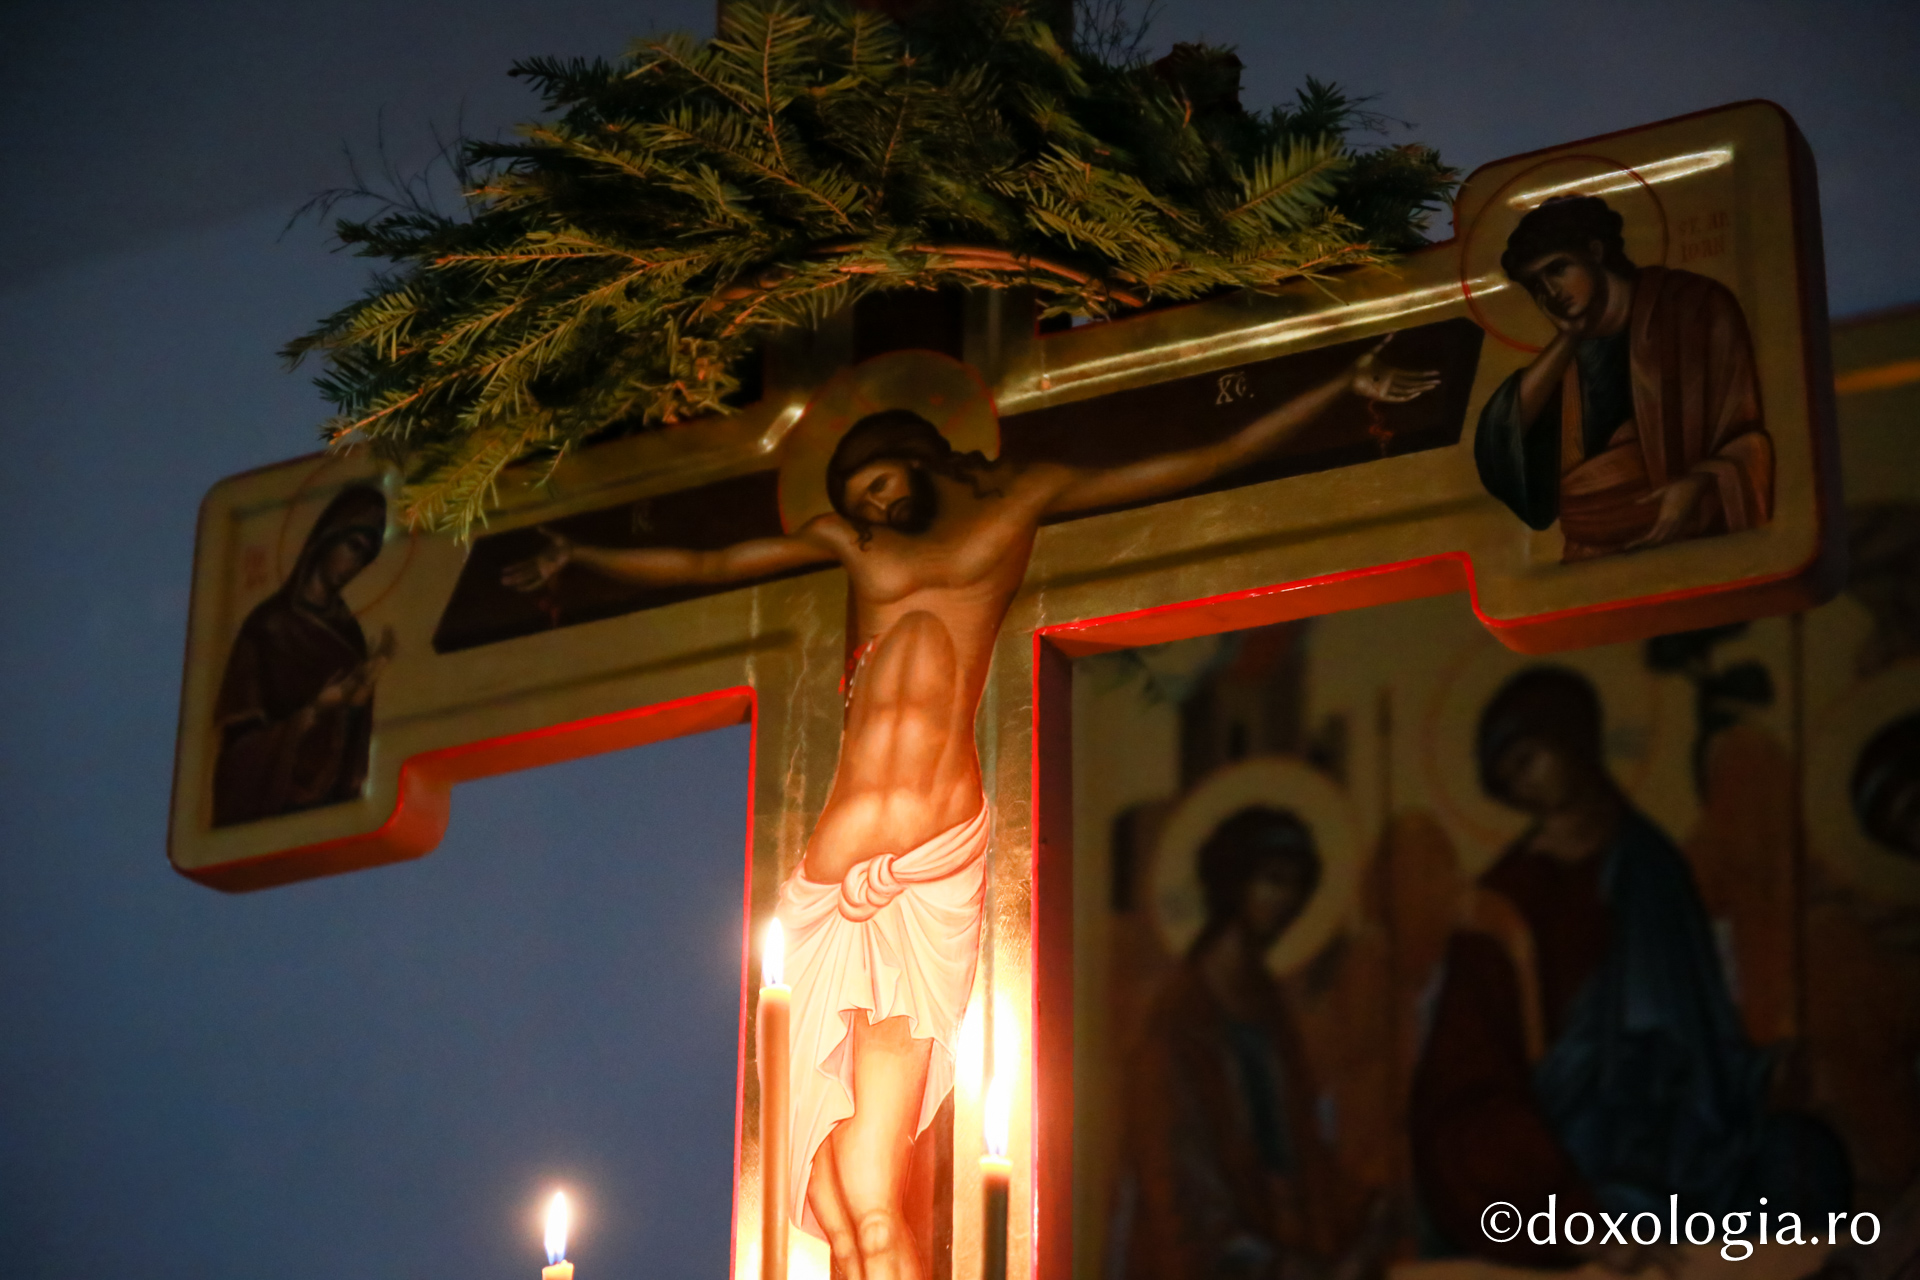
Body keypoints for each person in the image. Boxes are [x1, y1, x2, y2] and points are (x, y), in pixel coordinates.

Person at [504, 342, 1438, 1280]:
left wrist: (1335, 390)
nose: (873, 504)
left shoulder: (1017, 501)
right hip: (826, 887)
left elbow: (1185, 462)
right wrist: (578, 552)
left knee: (870, 1194)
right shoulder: (851, 545)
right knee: (824, 1200)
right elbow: (712, 558)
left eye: (881, 480)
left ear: (921, 454)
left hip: (924, 876)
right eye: (857, 492)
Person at [1408, 667, 1848, 1268]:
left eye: (1531, 756)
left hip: (1693, 1125)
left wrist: (1758, 1076)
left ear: (1575, 737)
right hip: (1584, 1150)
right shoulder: (1502, 907)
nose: (1527, 784)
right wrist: (1573, 1214)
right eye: (1509, 775)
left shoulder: (1653, 864)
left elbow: (1703, 1026)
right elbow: (1465, 1087)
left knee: (1803, 1160)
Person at [1111, 806, 1383, 1280]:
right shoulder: (1181, 1018)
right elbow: (1179, 1179)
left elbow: (1299, 1144)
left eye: (1299, 885)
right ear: (1234, 882)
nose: (1287, 899)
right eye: (1273, 879)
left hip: (1280, 1234)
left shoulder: (1272, 1011)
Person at [1473, 195, 1773, 561]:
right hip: (1588, 556)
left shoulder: (1693, 308)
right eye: (1536, 285)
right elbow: (1500, 445)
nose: (1550, 293)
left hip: (1693, 543)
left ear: (1595, 251)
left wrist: (1702, 481)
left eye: (1557, 269)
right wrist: (1569, 338)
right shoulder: (1565, 364)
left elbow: (1747, 435)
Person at [212, 485, 395, 826]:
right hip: (273, 802)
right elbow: (237, 752)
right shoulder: (267, 626)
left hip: (327, 802)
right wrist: (313, 713)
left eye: (365, 557)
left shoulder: (350, 636)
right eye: (352, 546)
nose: (353, 565)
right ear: (327, 538)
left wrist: (356, 702)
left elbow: (355, 754)